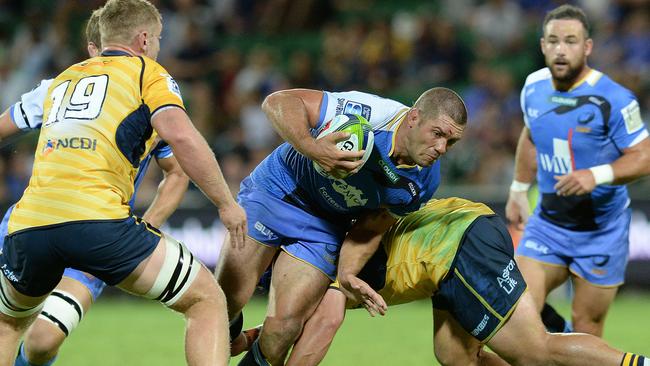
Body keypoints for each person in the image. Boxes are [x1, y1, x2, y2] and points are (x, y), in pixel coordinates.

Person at [0, 0, 246, 365]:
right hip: (97, 223)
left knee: (10, 327)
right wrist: (226, 203)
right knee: (206, 299)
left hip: (29, 225)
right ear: (145, 40)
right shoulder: (149, 74)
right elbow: (181, 136)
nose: (160, 46)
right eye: (159, 39)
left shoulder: (61, 80)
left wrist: (150, 225)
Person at [215, 87, 466, 365]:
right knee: (225, 304)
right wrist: (313, 149)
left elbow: (372, 225)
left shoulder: (424, 183)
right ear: (414, 118)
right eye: (438, 134)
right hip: (278, 190)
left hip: (325, 226)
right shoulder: (372, 114)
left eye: (451, 142)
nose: (442, 148)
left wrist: (346, 273)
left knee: (283, 329)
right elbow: (277, 102)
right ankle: (231, 328)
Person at [243, 197, 648, 366]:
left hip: (454, 247)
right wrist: (249, 339)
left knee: (533, 351)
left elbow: (323, 325)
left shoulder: (325, 267)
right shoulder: (316, 263)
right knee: (452, 355)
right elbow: (297, 318)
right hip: (457, 235)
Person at [505, 4, 650, 337]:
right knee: (518, 310)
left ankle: (568, 343)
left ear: (587, 47)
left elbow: (644, 156)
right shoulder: (533, 87)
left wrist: (596, 175)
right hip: (548, 225)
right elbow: (530, 135)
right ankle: (556, 339)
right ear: (542, 45)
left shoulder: (614, 98)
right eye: (553, 41)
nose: (560, 49)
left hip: (602, 231)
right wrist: (517, 189)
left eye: (570, 41)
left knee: (586, 329)